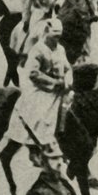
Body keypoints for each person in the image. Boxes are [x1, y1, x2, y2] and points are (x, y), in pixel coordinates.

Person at [8, 18, 71, 163]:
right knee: (40, 114)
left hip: (60, 89)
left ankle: (62, 143)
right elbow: (33, 73)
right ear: (47, 33)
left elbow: (68, 68)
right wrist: (54, 82)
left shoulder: (60, 49)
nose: (57, 40)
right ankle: (34, 147)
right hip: (41, 89)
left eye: (59, 37)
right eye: (54, 36)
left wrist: (68, 80)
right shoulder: (38, 49)